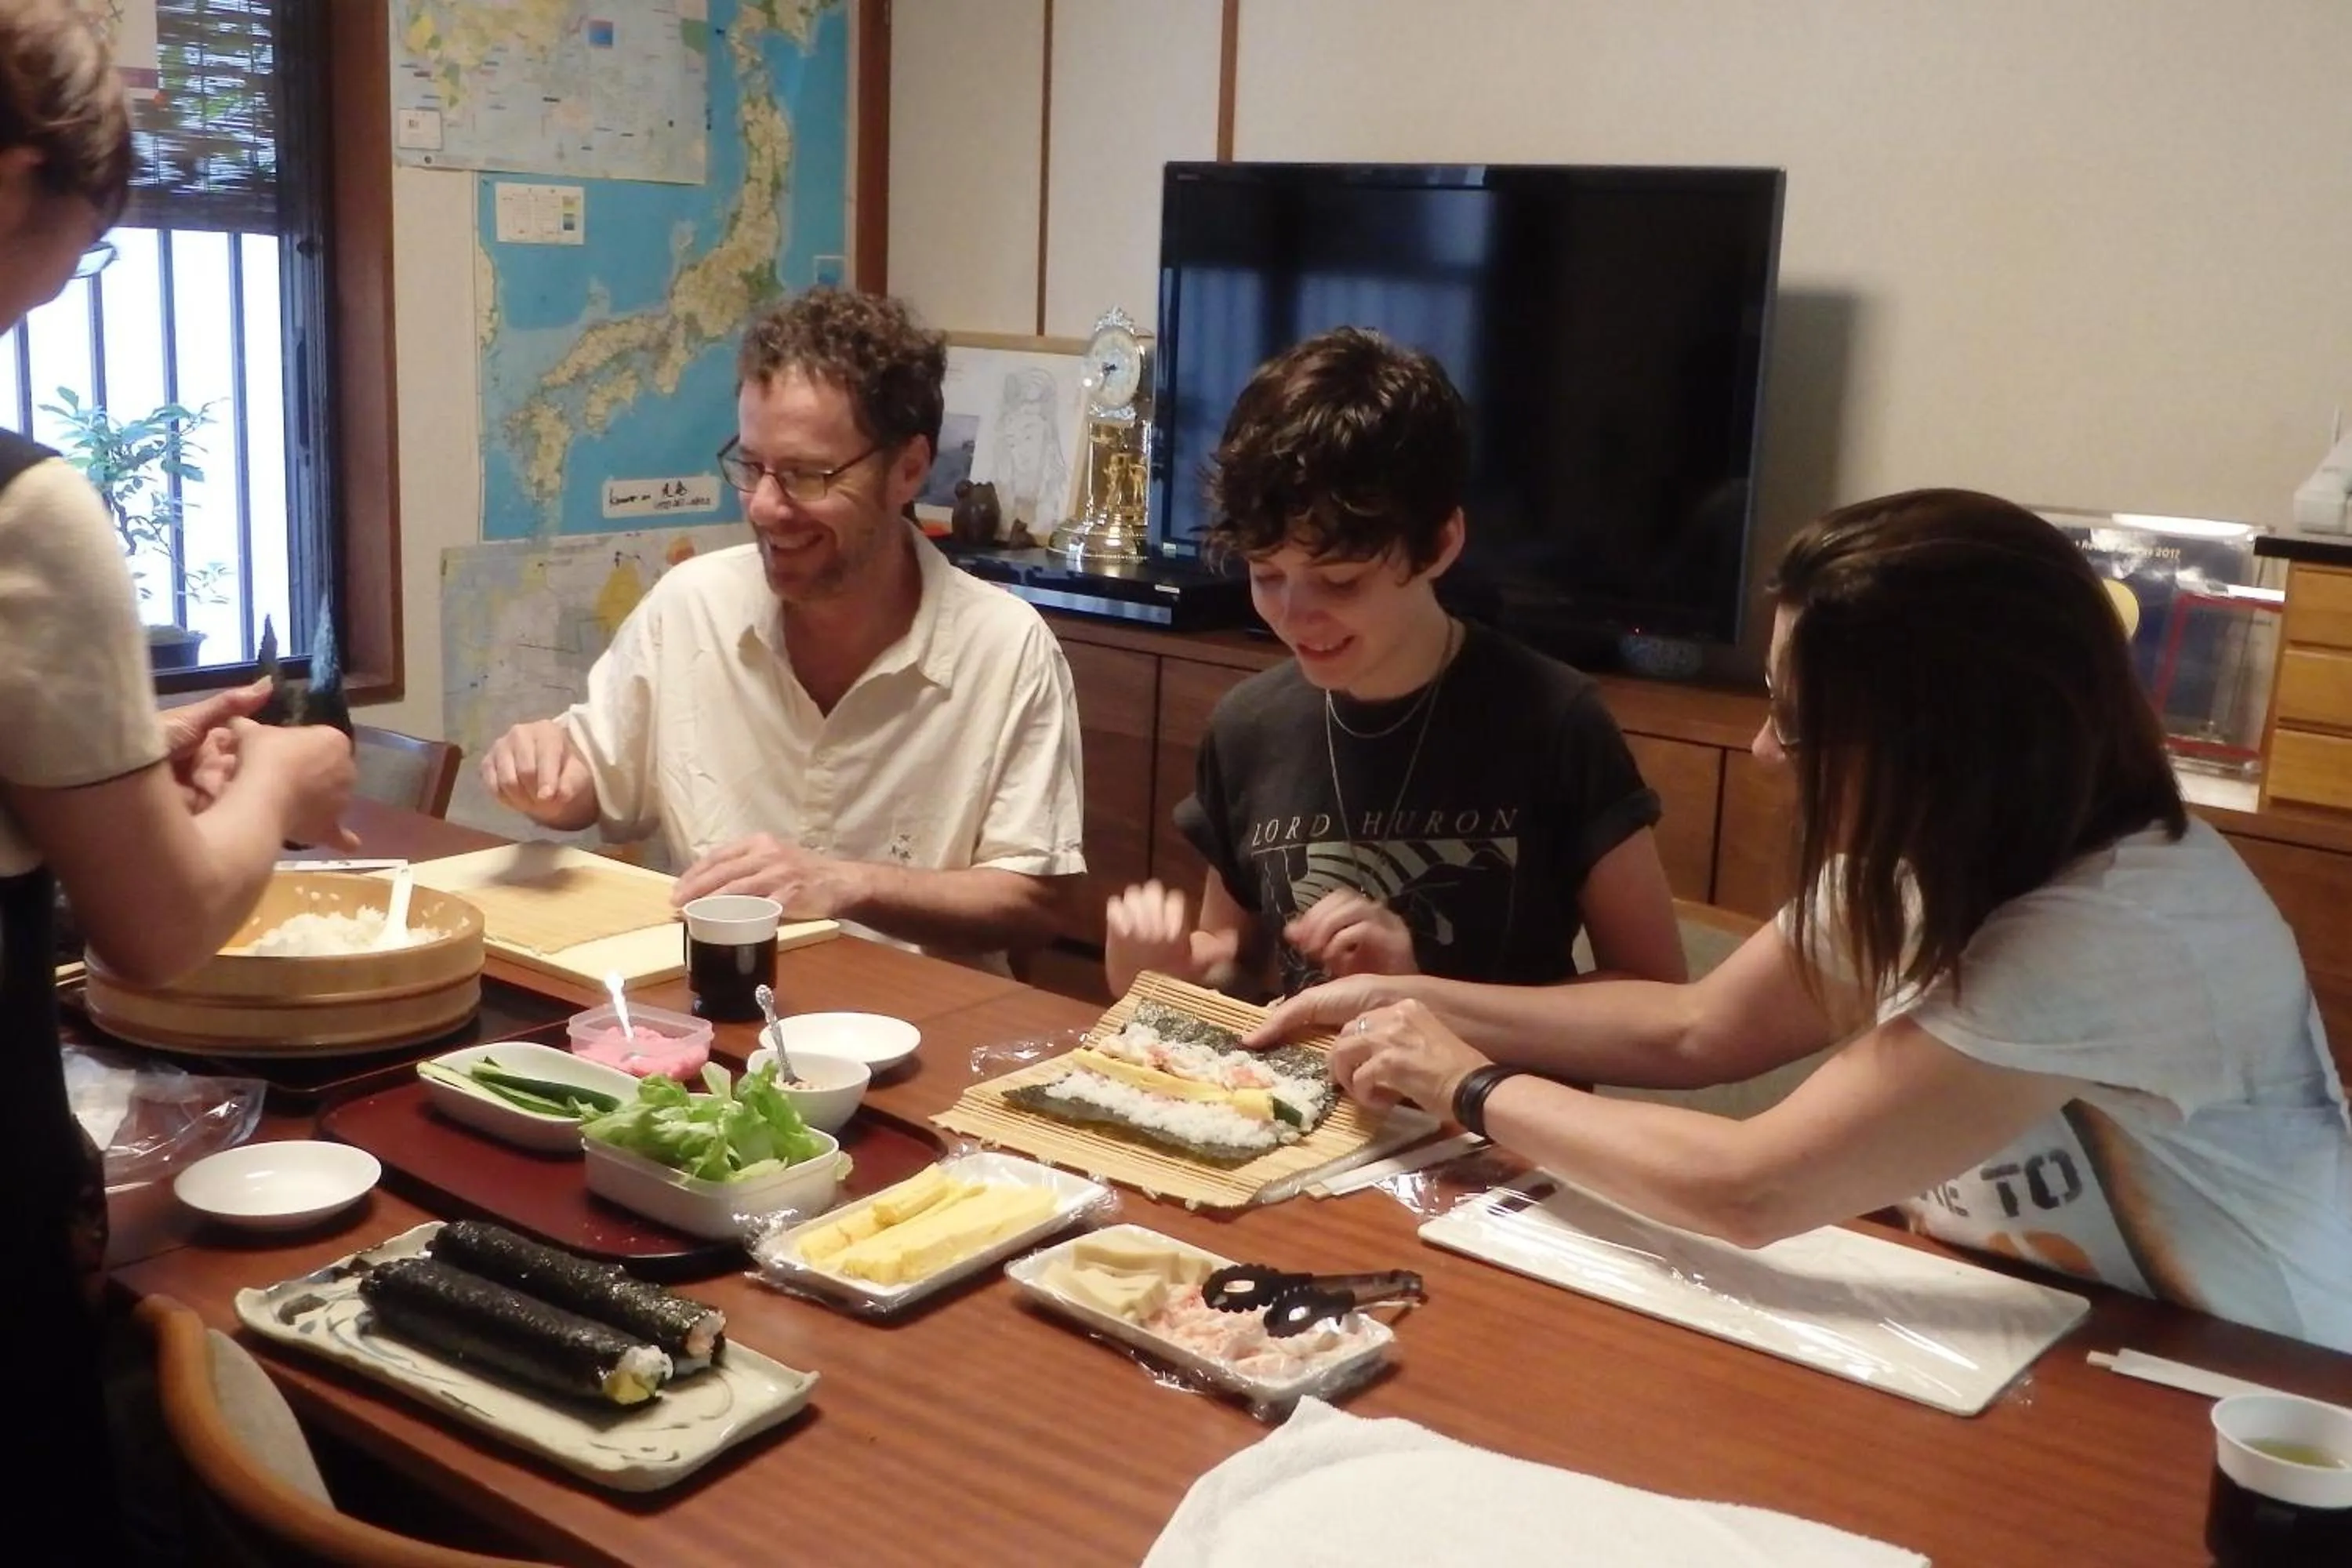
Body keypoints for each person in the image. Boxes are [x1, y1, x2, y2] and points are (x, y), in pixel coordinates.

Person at [1258, 488, 2352, 1352]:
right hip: (2031, 1318)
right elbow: (1700, 1030)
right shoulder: (1950, 843)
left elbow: (1754, 1187)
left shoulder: (2112, 933)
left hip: (2242, 1372)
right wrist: (1403, 1000)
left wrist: (1468, 1083)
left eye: (1798, 718)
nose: (1767, 753)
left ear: (1950, 743)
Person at [0, 0, 358, 1537]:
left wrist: (118, 758)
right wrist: (276, 784)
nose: (70, 283)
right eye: (81, 243)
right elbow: (156, 929)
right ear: (17, 181)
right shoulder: (24, 511)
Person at [481, 288, 1086, 966]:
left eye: (806, 475)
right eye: (752, 466)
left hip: (915, 1027)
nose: (767, 507)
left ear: (908, 470)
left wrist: (847, 885)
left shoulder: (1005, 647)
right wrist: (548, 769)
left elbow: (1033, 902)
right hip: (718, 1004)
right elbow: (590, 783)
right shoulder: (693, 606)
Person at [1105, 328, 1684, 1001]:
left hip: (1487, 1104)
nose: (1295, 616)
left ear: (1439, 544)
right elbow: (1239, 967)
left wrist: (1419, 995)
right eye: (1266, 575)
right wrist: (1169, 971)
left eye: (1342, 582)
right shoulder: (1250, 726)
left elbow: (1656, 995)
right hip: (1299, 1101)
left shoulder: (1553, 720)